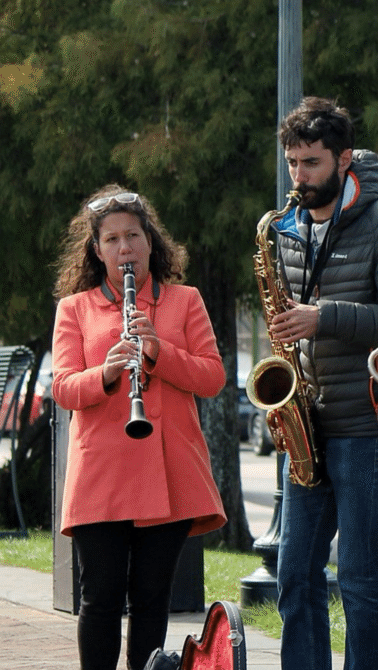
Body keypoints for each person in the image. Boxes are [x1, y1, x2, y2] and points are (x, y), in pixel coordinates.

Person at [270, 97, 378, 670]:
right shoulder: (285, 230)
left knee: (360, 574)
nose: (299, 176)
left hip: (368, 421)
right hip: (308, 425)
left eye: (310, 163)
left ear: (343, 161)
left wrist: (325, 316)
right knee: (294, 574)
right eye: (292, 163)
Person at [51, 185, 227, 670]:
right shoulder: (76, 309)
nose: (124, 247)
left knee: (152, 600)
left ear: (152, 241)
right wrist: (106, 373)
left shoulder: (184, 301)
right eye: (112, 239)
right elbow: (64, 388)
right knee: (100, 598)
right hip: (101, 475)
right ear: (97, 249)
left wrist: (159, 352)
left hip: (166, 471)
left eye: (133, 235)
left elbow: (212, 378)